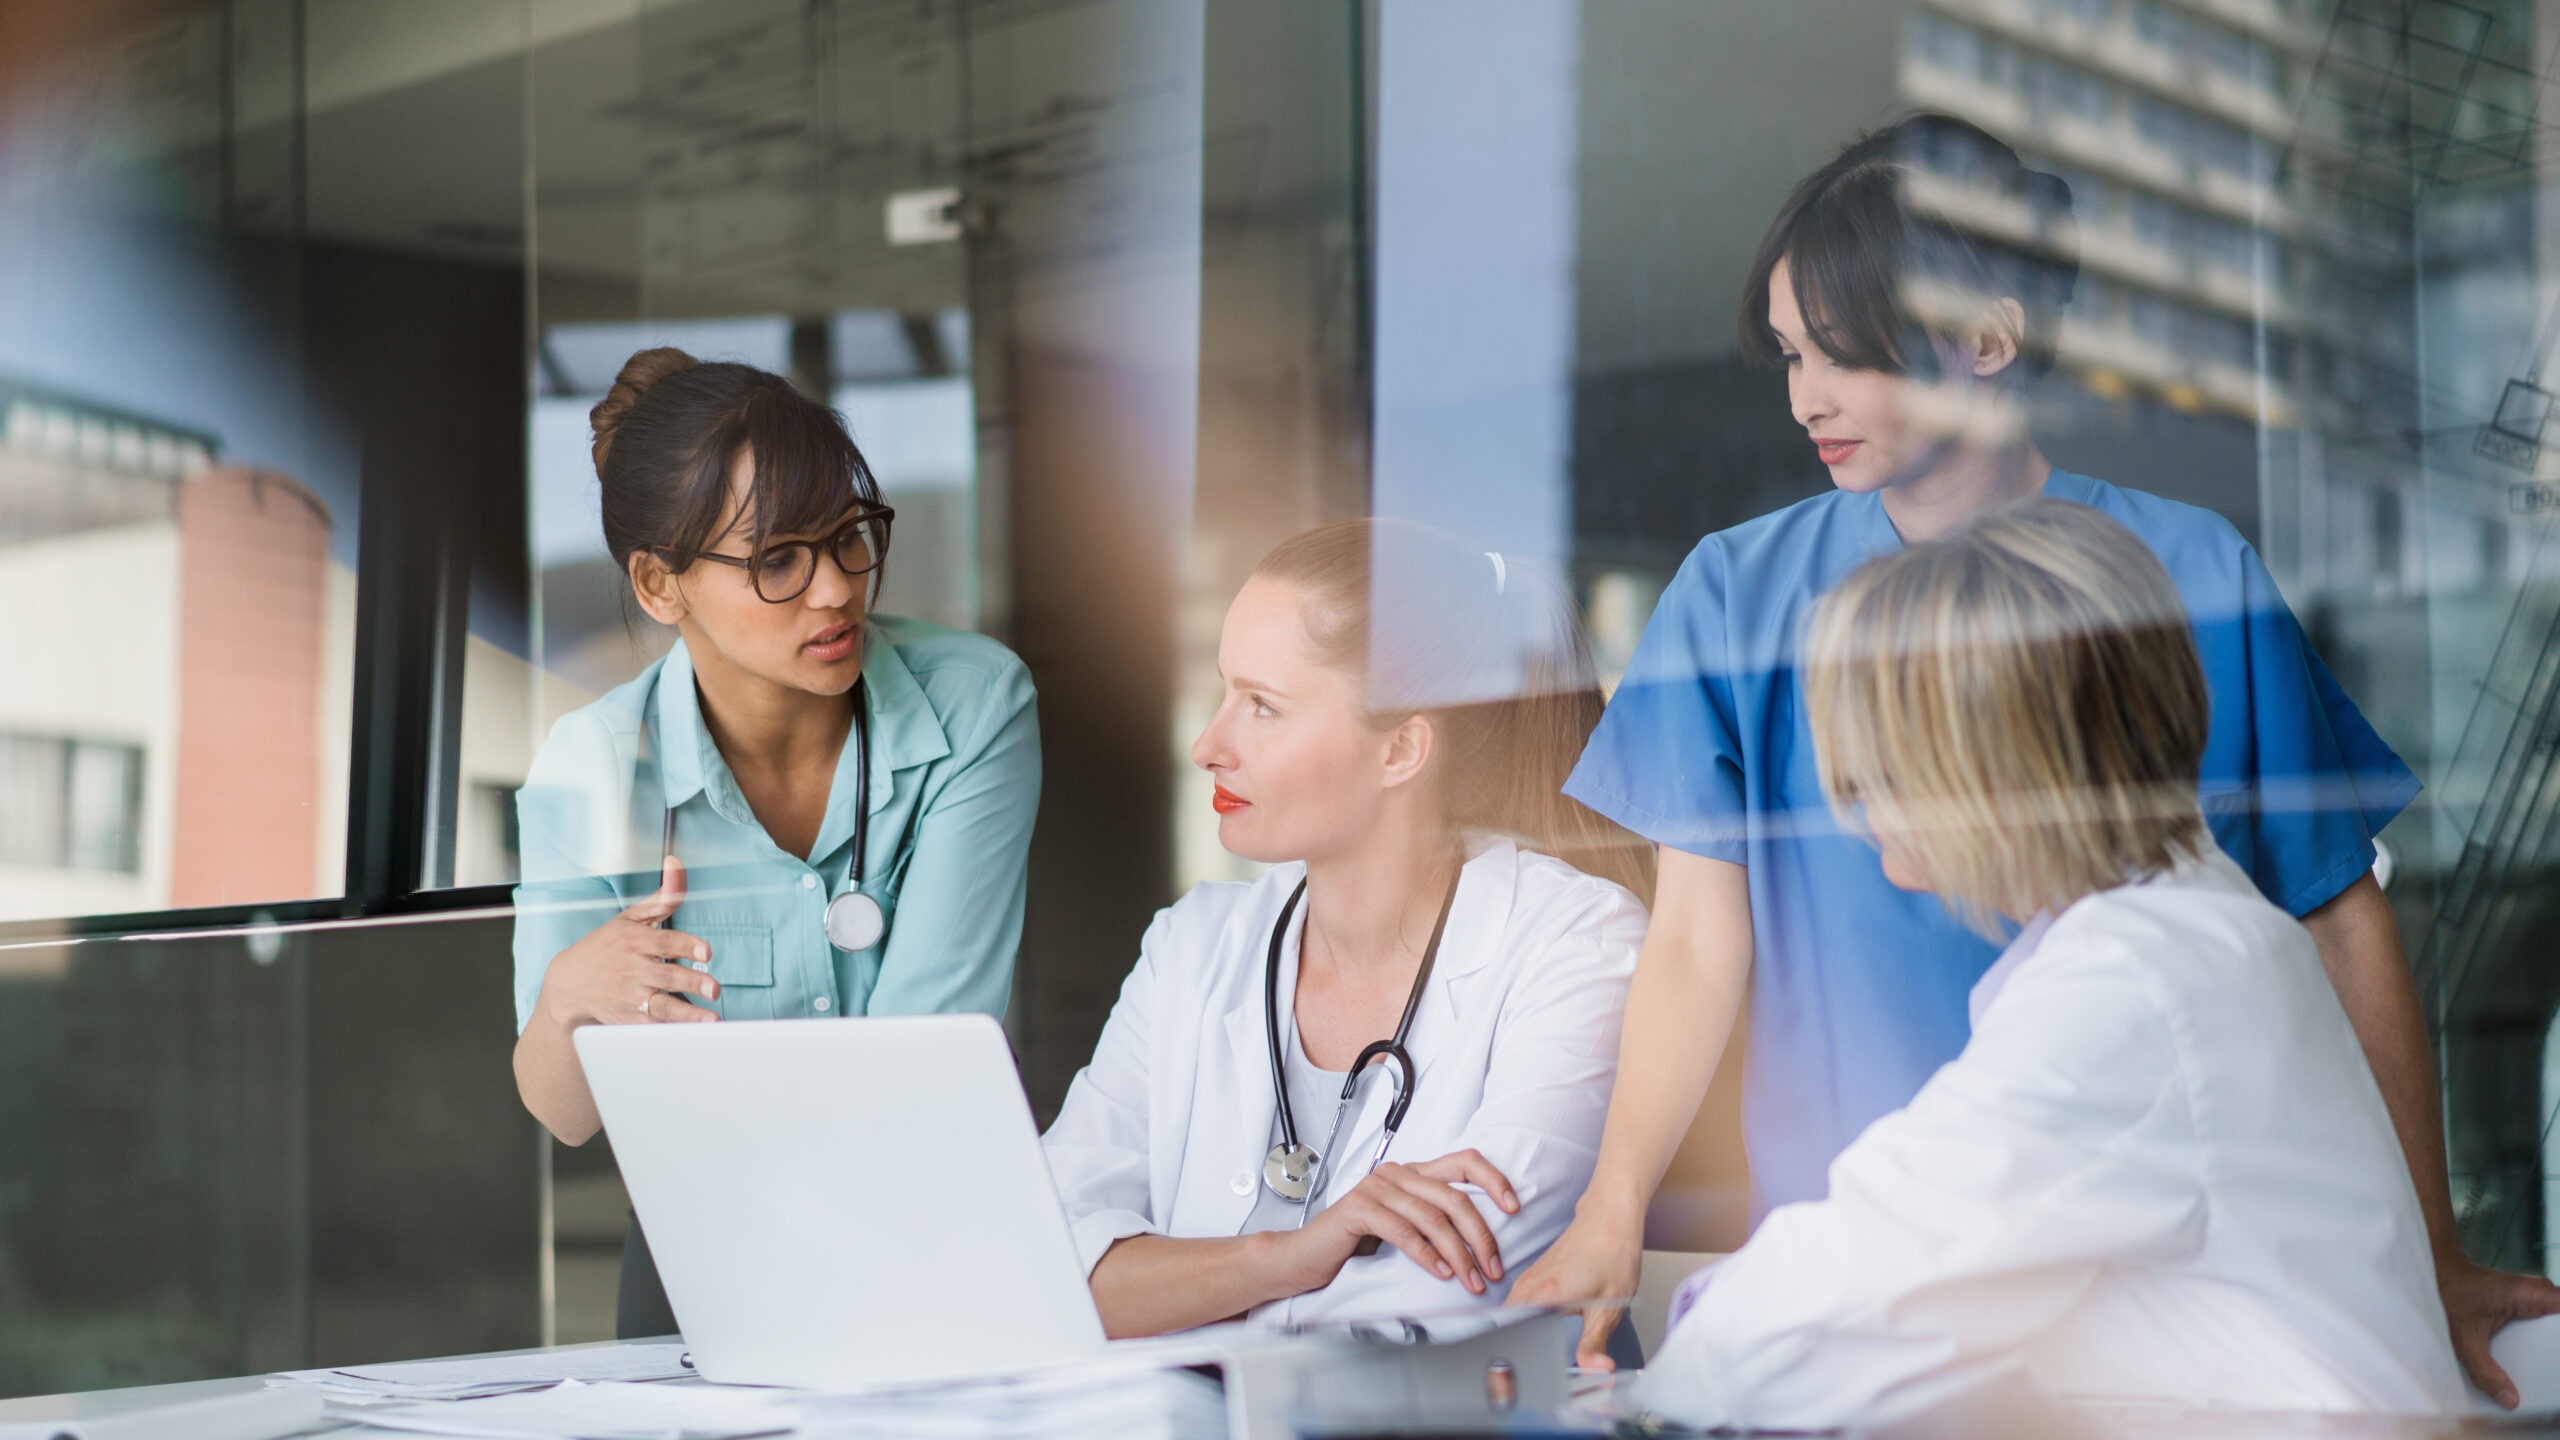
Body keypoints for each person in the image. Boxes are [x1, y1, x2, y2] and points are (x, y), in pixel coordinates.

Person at [1510, 111, 2560, 1398]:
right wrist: (1614, 1206)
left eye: (1841, 355)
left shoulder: (2184, 583)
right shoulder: (1736, 597)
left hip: (2152, 1297)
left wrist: (2429, 1251)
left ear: (1988, 341)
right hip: (1877, 1266)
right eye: (1788, 357)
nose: (1805, 398)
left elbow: (2337, 922)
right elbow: (1690, 943)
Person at [1639, 500, 2467, 1425]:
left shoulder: (2129, 989)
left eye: (1876, 765)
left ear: (1993, 773)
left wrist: (1682, 1343)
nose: (1853, 805)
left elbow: (1788, 1334)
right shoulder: (2187, 932)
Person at [509, 348, 1040, 1338]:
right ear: (659, 586)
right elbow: (564, 1110)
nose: (836, 590)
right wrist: (571, 996)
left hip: (919, 1237)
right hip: (697, 1262)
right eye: (778, 561)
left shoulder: (974, 706)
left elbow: (921, 1059)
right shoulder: (590, 767)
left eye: (847, 538)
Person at [1040, 520, 1648, 1335]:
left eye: (1262, 706)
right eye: (1224, 692)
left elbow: (1452, 1286)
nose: (1208, 744)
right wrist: (1287, 1255)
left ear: (1401, 750)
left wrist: (1166, 1285)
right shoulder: (1194, 945)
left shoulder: (1575, 943)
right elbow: (1041, 1264)